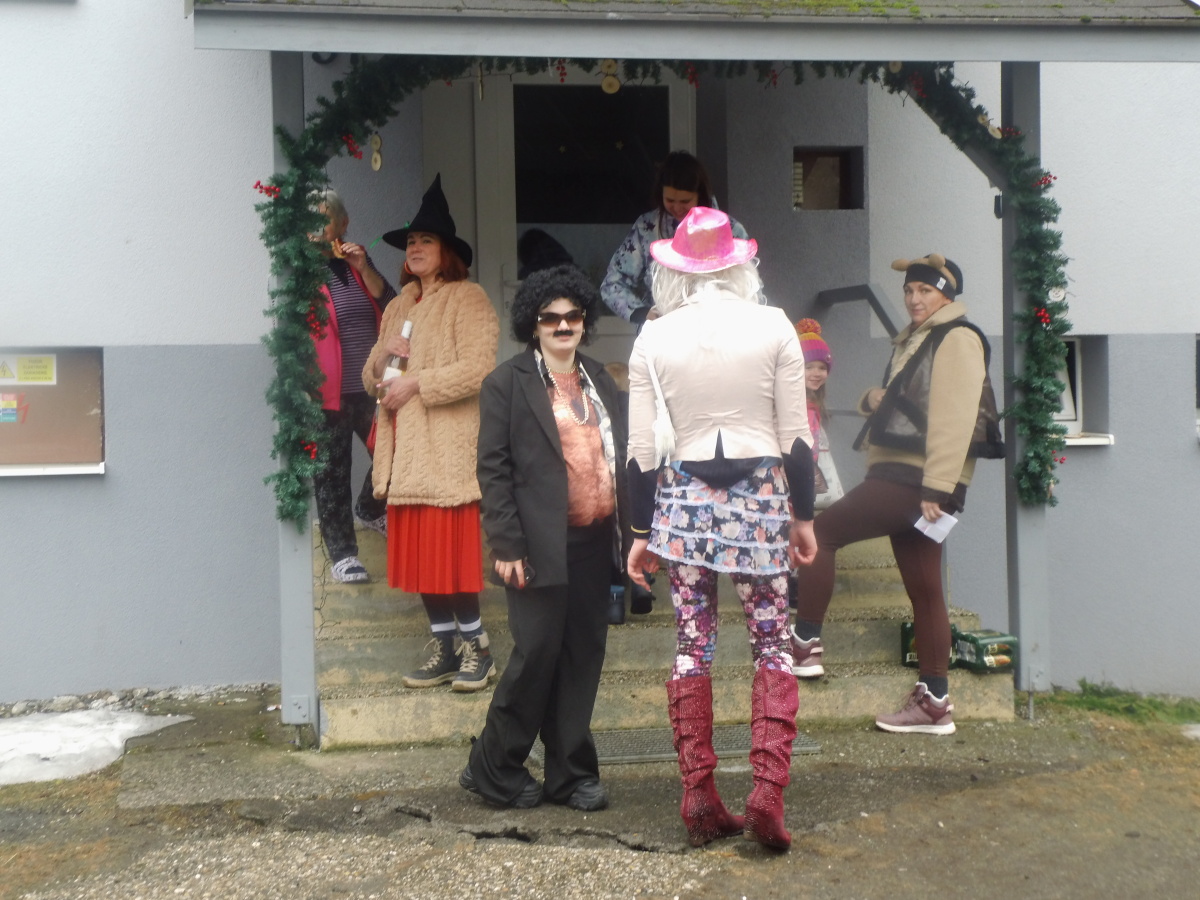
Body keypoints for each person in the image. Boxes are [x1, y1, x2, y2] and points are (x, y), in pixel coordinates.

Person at [625, 207, 817, 851]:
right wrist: (803, 517)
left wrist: (639, 531)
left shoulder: (653, 337)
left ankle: (699, 797)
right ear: (739, 265)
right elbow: (797, 438)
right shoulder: (774, 324)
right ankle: (767, 792)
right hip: (760, 502)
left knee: (691, 643)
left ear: (675, 270)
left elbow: (639, 452)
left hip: (682, 503)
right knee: (772, 643)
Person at [790, 254, 1003, 733]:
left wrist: (938, 487)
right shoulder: (920, 338)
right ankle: (935, 702)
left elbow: (955, 417)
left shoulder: (957, 337)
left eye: (925, 291)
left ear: (946, 295)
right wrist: (874, 400)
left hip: (914, 480)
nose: (913, 299)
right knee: (926, 590)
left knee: (819, 535)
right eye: (909, 291)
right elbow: (919, 403)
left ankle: (804, 644)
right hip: (913, 478)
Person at [461, 264, 627, 811]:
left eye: (572, 316)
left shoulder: (600, 379)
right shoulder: (506, 383)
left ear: (584, 320)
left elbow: (620, 456)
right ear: (532, 324)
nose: (562, 326)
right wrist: (506, 544)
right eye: (550, 317)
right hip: (536, 546)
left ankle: (571, 775)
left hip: (595, 543)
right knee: (536, 655)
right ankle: (493, 766)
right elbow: (493, 470)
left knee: (582, 657)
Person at [364, 174, 500, 692]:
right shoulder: (398, 306)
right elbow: (370, 379)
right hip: (404, 451)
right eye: (411, 242)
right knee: (423, 560)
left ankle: (478, 649)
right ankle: (444, 647)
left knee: (449, 558)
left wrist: (417, 382)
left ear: (447, 252)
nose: (415, 249)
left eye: (426, 240)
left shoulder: (468, 298)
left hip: (445, 450)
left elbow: (479, 369)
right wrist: (384, 358)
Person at [309, 188, 396, 584]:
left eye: (325, 217)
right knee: (332, 472)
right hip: (326, 390)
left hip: (372, 386)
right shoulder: (301, 270)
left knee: (392, 452)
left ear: (343, 223)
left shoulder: (359, 263)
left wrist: (364, 268)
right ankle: (343, 554)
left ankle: (371, 509)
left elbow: (393, 306)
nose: (317, 226)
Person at [601, 151, 748, 326]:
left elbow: (750, 288)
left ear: (700, 196)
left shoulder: (731, 231)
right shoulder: (646, 227)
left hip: (719, 330)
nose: (677, 208)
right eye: (670, 200)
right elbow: (612, 283)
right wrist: (644, 313)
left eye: (685, 201)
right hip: (662, 332)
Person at [786, 319, 844, 622]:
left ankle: (794, 583)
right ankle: (792, 585)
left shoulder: (811, 404)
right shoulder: (795, 404)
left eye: (822, 367)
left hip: (803, 477)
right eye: (809, 366)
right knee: (793, 527)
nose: (817, 373)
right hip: (792, 478)